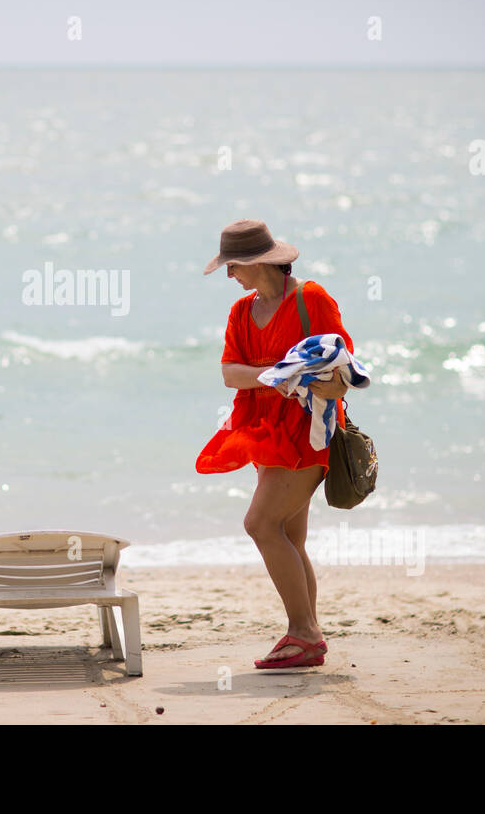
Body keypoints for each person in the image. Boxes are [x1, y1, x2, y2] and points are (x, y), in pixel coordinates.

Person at [196, 219, 354, 669]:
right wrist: (277, 377)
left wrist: (312, 384)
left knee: (261, 525)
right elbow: (230, 372)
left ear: (256, 262)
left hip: (308, 431)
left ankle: (304, 633)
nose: (229, 276)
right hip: (264, 432)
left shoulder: (311, 300)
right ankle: (306, 633)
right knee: (289, 535)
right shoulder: (242, 312)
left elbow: (342, 368)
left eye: (232, 266)